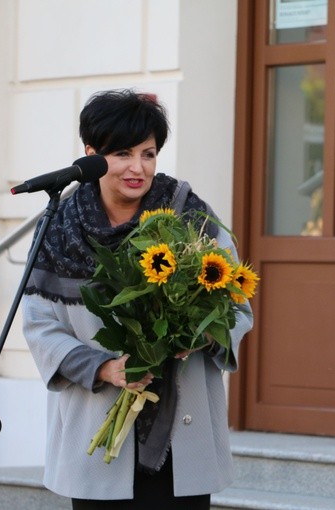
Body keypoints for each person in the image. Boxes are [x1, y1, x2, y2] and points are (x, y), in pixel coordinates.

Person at [21, 89, 253, 510]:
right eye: (122, 153)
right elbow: (40, 327)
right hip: (97, 433)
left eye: (148, 153)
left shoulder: (190, 218)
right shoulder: (59, 229)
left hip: (184, 438)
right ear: (91, 155)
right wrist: (105, 369)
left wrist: (200, 334)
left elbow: (236, 305)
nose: (137, 167)